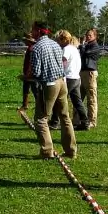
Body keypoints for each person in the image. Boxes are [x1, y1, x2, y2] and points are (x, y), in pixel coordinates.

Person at [28, 21, 77, 159]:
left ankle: (46, 151)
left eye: (32, 30)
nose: (31, 32)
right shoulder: (55, 44)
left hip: (50, 84)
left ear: (38, 31)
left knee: (41, 119)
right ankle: (71, 150)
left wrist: (26, 77)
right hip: (62, 82)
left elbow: (37, 72)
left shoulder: (36, 48)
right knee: (65, 116)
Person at [53, 30, 88, 130]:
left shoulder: (66, 49)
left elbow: (63, 62)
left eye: (58, 40)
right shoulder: (74, 49)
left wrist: (59, 73)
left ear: (63, 39)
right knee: (77, 101)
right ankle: (85, 122)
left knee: (58, 99)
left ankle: (55, 122)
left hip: (68, 78)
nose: (58, 42)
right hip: (76, 78)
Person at [77, 29, 100, 129]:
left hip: (90, 73)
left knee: (91, 99)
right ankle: (78, 119)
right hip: (82, 72)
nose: (87, 36)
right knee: (78, 97)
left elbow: (85, 53)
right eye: (86, 35)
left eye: (90, 35)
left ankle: (92, 121)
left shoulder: (94, 46)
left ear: (95, 36)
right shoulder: (86, 45)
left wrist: (81, 45)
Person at [19, 33, 37, 112]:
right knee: (26, 88)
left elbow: (30, 63)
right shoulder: (30, 48)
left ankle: (38, 105)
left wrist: (27, 74)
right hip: (28, 72)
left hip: (30, 73)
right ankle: (25, 105)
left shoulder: (31, 49)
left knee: (34, 90)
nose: (25, 42)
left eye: (26, 40)